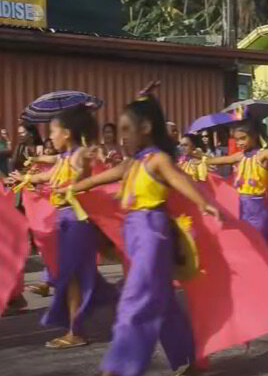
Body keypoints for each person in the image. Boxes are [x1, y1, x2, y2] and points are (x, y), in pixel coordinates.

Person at [67, 94, 219, 376]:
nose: (121, 137)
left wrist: (203, 202)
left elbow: (180, 180)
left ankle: (120, 366)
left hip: (153, 232)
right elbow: (90, 183)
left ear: (146, 128)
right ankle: (190, 358)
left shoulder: (157, 159)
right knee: (163, 300)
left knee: (135, 298)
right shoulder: (130, 164)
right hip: (134, 234)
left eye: (126, 129)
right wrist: (77, 180)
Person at [8, 106, 116, 349]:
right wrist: (25, 178)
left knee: (73, 276)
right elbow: (47, 173)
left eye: (54, 131)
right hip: (66, 219)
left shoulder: (79, 155)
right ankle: (92, 318)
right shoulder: (65, 156)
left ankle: (76, 331)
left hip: (77, 220)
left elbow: (80, 175)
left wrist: (72, 183)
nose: (51, 136)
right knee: (73, 276)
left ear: (67, 133)